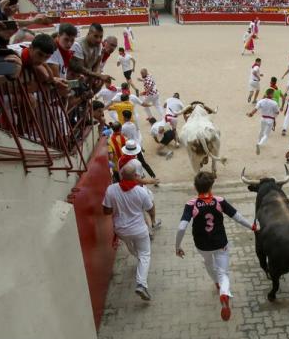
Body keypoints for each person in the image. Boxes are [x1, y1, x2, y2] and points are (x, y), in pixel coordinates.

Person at [175, 171, 256, 321]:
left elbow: (181, 227)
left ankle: (217, 283)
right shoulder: (219, 201)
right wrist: (251, 226)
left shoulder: (191, 205)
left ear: (195, 186)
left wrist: (177, 246)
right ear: (212, 185)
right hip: (220, 243)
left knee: (208, 262)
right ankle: (224, 293)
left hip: (202, 245)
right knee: (223, 273)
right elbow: (237, 217)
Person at [102, 163, 155, 301]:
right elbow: (150, 208)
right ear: (135, 177)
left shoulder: (111, 190)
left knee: (133, 250)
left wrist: (117, 207)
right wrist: (153, 220)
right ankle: (141, 284)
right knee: (145, 255)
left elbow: (106, 211)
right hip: (139, 229)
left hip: (121, 230)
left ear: (121, 175)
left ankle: (139, 264)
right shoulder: (141, 192)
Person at [120, 111, 157, 178]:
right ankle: (153, 176)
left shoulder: (123, 127)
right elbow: (136, 136)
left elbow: (122, 136)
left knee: (132, 164)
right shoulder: (133, 124)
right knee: (143, 162)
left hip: (130, 147)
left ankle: (142, 175)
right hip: (137, 146)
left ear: (124, 117)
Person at [247, 87, 279, 155]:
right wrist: (274, 119)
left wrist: (251, 114)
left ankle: (258, 141)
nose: (273, 95)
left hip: (263, 118)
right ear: (270, 94)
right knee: (266, 135)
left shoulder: (261, 101)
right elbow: (277, 112)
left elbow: (255, 109)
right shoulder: (274, 103)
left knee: (261, 131)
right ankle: (259, 143)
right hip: (270, 119)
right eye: (273, 94)